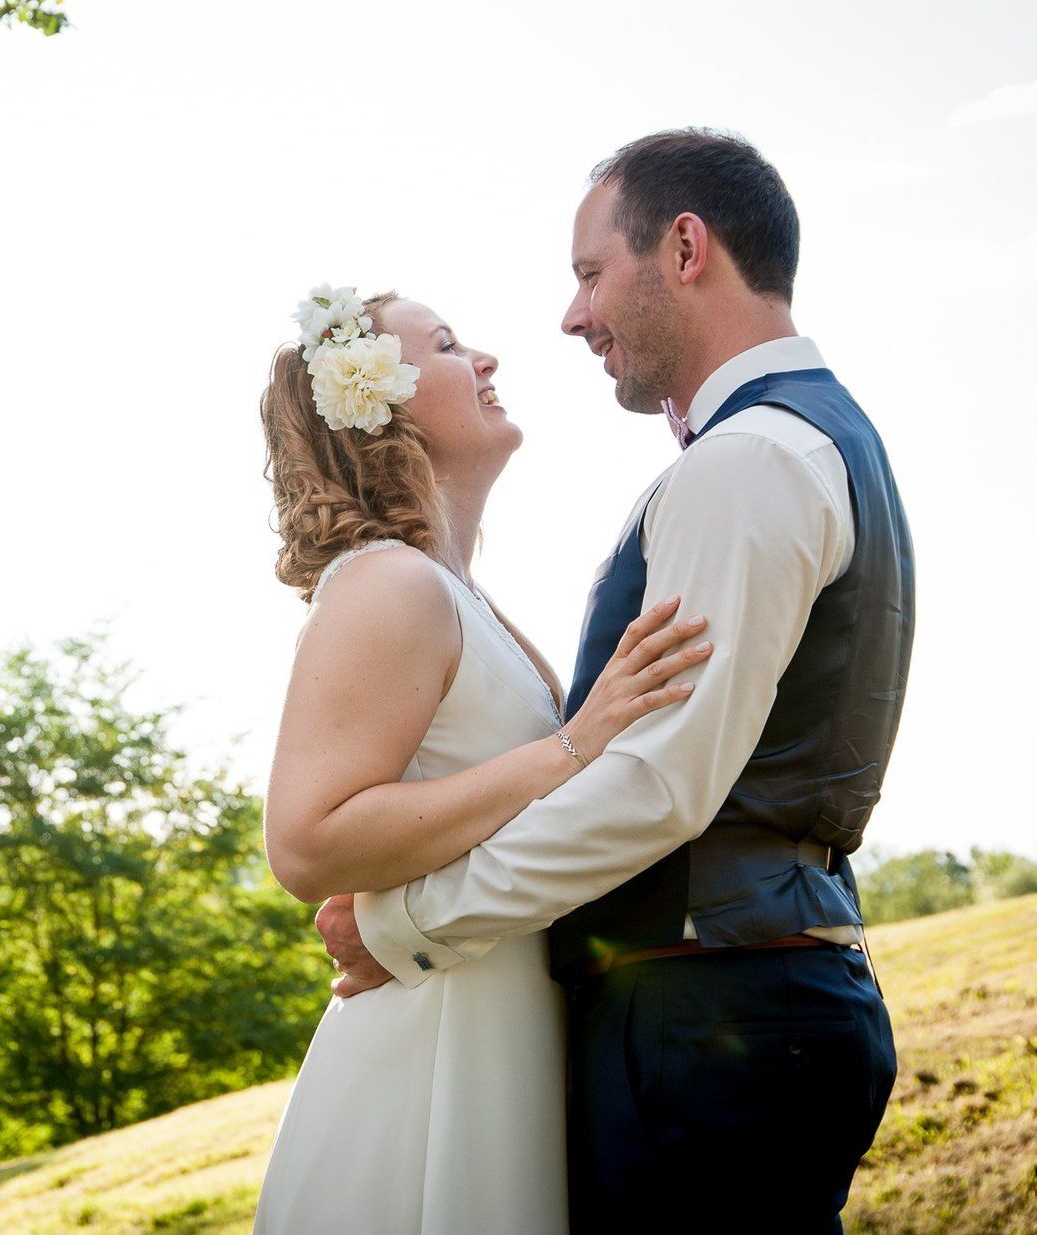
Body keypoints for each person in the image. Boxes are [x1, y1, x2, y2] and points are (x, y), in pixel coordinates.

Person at [315, 129, 913, 1234]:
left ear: (685, 248)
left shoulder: (749, 460)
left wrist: (410, 924)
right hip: (738, 993)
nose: (571, 315)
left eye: (591, 273)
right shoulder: (799, 442)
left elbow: (659, 784)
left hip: (708, 1012)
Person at [249, 283, 713, 1233]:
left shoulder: (454, 590)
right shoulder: (389, 583)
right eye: (451, 344)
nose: (488, 359)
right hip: (430, 1050)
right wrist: (576, 743)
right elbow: (307, 843)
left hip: (498, 1018)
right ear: (375, 403)